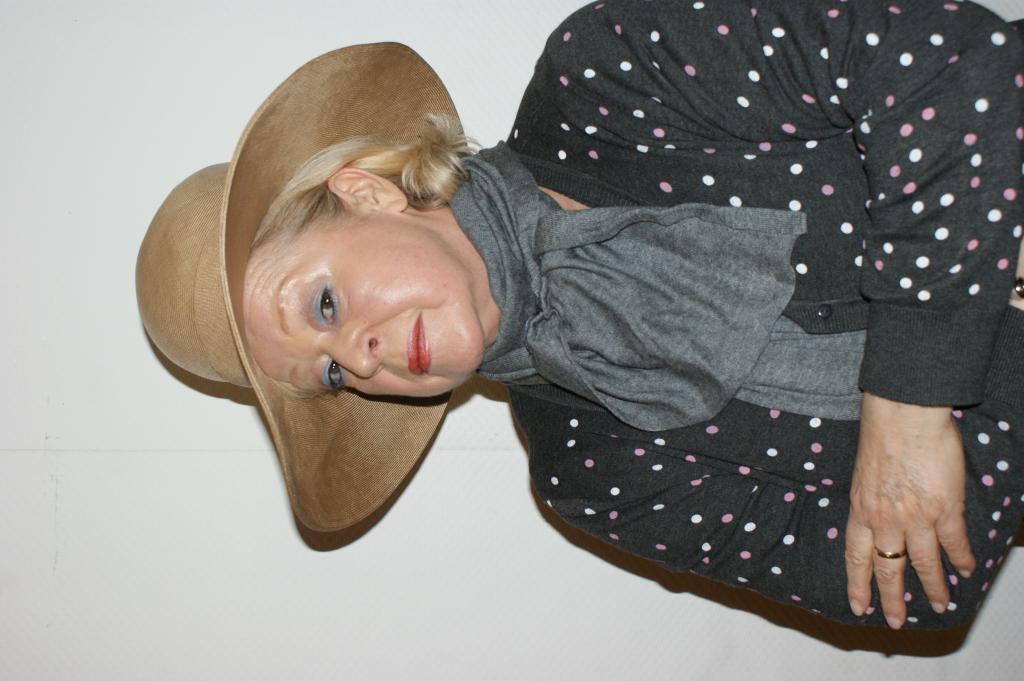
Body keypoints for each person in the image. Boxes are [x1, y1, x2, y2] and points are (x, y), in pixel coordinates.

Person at [137, 0, 1023, 631]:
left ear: (367, 193)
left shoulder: (601, 82)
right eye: (332, 372)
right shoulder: (593, 470)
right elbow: (918, 585)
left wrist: (913, 401)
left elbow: (951, 61)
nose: (361, 360)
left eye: (323, 304)